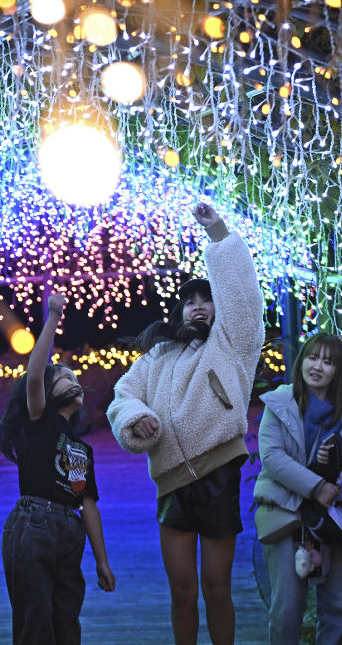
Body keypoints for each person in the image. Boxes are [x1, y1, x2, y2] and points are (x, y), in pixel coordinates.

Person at [108, 202, 265, 645]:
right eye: (189, 302)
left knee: (217, 590)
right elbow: (124, 396)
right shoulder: (157, 357)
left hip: (218, 476)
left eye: (206, 300)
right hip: (172, 485)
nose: (198, 308)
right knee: (181, 594)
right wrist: (137, 419)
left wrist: (218, 233)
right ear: (177, 313)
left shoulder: (233, 341)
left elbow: (242, 297)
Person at [0, 292, 115, 645]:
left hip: (70, 531)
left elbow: (89, 504)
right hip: (35, 524)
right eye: (63, 377)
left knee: (67, 621)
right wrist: (53, 317)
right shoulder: (39, 422)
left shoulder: (81, 447)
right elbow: (34, 376)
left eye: (76, 377)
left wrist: (102, 562)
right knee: (36, 621)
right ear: (47, 392)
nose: (73, 380)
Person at [253, 332, 342, 644]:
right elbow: (271, 456)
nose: (317, 366)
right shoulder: (280, 402)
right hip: (287, 514)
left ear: (338, 370)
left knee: (337, 606)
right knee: (287, 608)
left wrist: (340, 452)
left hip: (335, 519)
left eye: (328, 361)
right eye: (312, 357)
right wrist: (316, 486)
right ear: (301, 362)